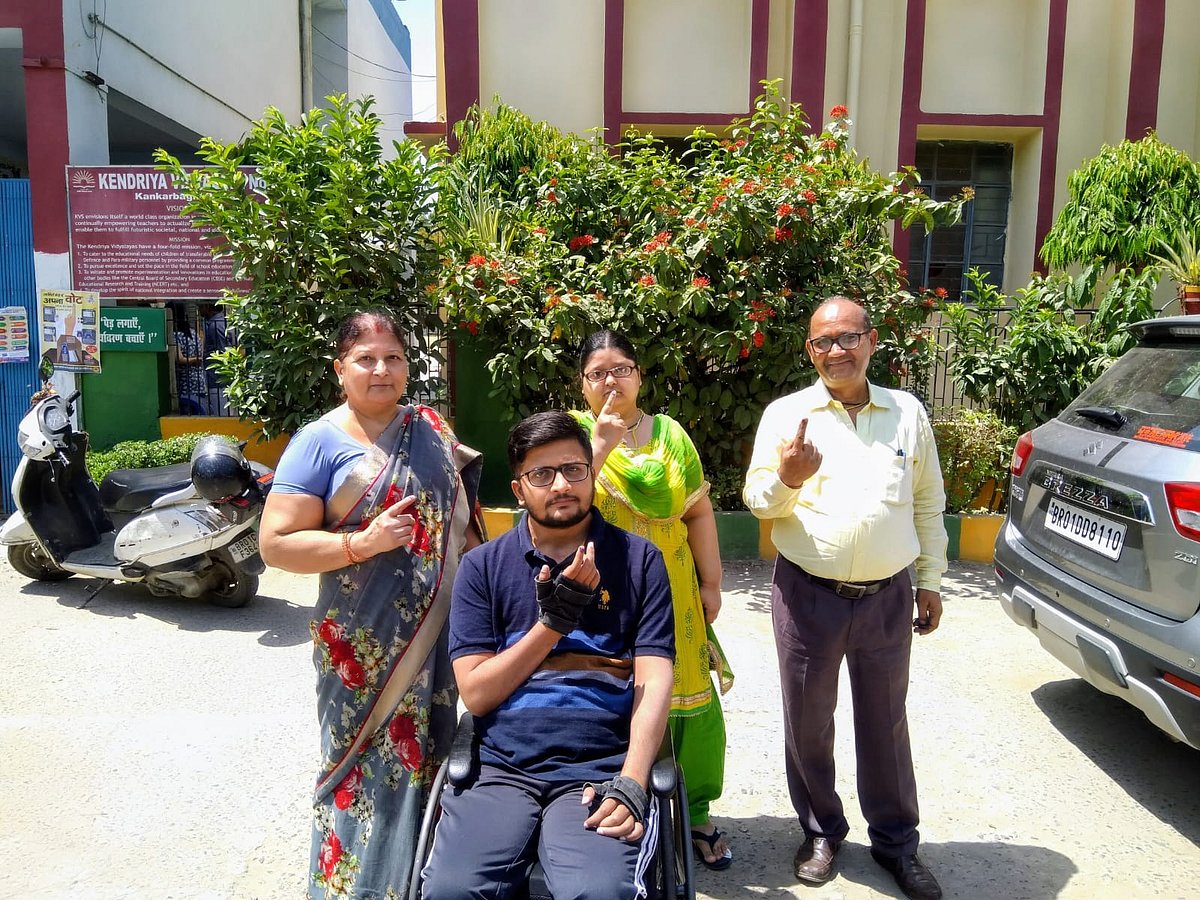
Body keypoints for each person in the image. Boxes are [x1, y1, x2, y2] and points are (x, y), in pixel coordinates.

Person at [259, 309, 482, 898]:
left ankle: (417, 885)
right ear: (340, 369)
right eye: (365, 359)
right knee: (358, 772)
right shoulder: (319, 441)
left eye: (394, 358)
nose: (381, 370)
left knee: (429, 762)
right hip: (358, 646)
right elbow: (276, 544)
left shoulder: (432, 430)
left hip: (436, 636)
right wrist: (361, 543)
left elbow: (466, 528)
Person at [420, 411, 675, 900]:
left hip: (601, 767)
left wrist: (634, 780)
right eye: (542, 474)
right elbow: (475, 695)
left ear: (591, 473)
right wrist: (552, 625)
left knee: (598, 893)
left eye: (574, 469)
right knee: (452, 890)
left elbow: (654, 680)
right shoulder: (481, 568)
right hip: (502, 768)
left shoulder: (640, 561)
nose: (562, 484)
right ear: (519, 490)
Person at [742, 296, 947, 900]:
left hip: (887, 595)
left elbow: (928, 500)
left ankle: (895, 843)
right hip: (808, 594)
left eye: (847, 338)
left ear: (871, 340)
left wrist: (930, 579)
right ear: (810, 351)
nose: (836, 351)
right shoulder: (787, 415)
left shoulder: (906, 413)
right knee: (808, 721)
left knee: (885, 721)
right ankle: (821, 830)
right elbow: (757, 498)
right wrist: (790, 479)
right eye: (822, 342)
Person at [569, 330, 735, 870]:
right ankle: (619, 803)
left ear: (639, 375)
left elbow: (698, 512)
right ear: (582, 385)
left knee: (687, 696)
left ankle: (694, 811)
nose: (611, 381)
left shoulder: (670, 434)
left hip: (674, 589)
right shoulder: (572, 433)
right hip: (604, 592)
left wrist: (710, 583)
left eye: (621, 369)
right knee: (616, 691)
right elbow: (560, 506)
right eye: (598, 373)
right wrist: (600, 447)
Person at [171, 303, 208, 415]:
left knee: (187, 415)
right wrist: (197, 359)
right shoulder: (193, 333)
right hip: (199, 381)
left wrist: (192, 360)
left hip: (185, 384)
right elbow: (201, 352)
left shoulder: (176, 335)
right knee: (200, 414)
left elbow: (179, 359)